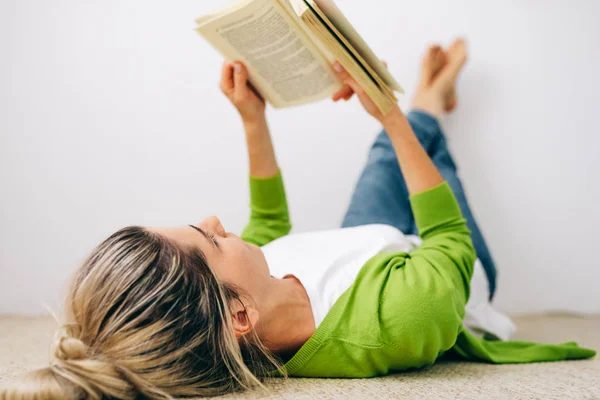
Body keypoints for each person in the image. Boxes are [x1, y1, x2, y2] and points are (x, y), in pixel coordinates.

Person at [1, 39, 594, 400]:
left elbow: (266, 221)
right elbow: (448, 239)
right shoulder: (392, 323)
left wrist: (252, 119)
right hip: (437, 268)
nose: (215, 219)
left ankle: (427, 105)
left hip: (365, 243)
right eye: (210, 238)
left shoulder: (244, 300)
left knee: (393, 151)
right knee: (401, 147)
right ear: (239, 314)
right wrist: (388, 115)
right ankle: (428, 101)